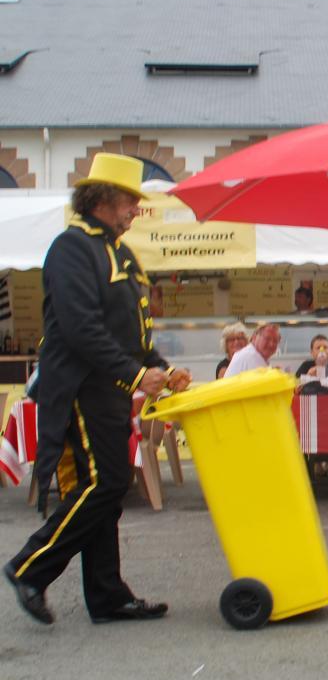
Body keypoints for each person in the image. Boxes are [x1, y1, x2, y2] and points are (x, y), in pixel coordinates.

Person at [5, 152, 192, 626]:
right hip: (80, 388)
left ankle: (107, 596)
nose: (136, 209)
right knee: (104, 484)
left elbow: (133, 333)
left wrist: (162, 369)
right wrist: (133, 376)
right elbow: (79, 328)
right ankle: (29, 567)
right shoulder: (72, 247)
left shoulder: (120, 252)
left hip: (105, 388)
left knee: (106, 489)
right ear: (105, 198)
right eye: (132, 200)